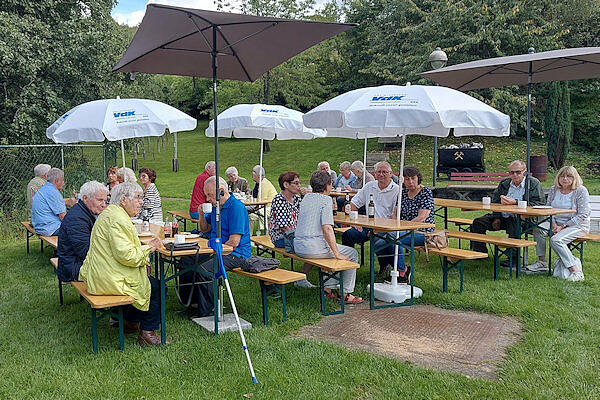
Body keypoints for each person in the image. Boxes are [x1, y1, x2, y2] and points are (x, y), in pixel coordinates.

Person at [79, 182, 167, 346]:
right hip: (108, 279)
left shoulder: (111, 214)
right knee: (157, 287)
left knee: (148, 282)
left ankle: (130, 322)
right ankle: (147, 333)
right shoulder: (117, 219)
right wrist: (150, 247)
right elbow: (127, 256)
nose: (141, 202)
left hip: (102, 273)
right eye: (137, 198)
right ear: (123, 201)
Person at [294, 170, 362, 304]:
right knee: (352, 253)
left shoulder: (306, 197)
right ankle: (346, 293)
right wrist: (337, 253)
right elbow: (327, 228)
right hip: (312, 247)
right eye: (331, 184)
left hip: (298, 246)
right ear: (327, 185)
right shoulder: (326, 200)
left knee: (331, 252)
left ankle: (328, 289)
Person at [470, 160, 545, 267]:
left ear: (525, 171)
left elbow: (539, 203)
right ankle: (480, 252)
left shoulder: (533, 183)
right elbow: (495, 201)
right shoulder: (505, 183)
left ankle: (513, 257)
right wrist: (497, 217)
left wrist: (515, 202)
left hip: (525, 219)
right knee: (478, 222)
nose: (514, 175)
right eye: (511, 172)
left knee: (513, 219)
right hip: (502, 216)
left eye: (518, 172)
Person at [525, 166, 590, 281]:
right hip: (555, 222)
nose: (565, 179)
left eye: (569, 176)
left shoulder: (581, 190)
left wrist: (563, 226)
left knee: (556, 240)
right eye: (562, 176)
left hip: (577, 225)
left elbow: (583, 214)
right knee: (538, 228)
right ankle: (542, 262)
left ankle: (575, 271)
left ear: (575, 178)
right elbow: (549, 208)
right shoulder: (554, 189)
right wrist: (554, 223)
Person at [341, 161, 400, 275]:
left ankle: (385, 264)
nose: (381, 174)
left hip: (386, 227)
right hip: (368, 225)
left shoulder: (397, 190)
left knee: (378, 240)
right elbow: (353, 204)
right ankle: (347, 264)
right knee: (347, 235)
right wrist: (355, 222)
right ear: (375, 174)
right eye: (379, 172)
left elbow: (395, 215)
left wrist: (377, 229)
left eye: (384, 172)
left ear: (391, 173)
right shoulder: (369, 186)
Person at [269, 171, 314, 288]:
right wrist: (297, 240)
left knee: (316, 243)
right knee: (311, 247)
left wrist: (306, 196)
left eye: (299, 183)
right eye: (296, 183)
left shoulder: (296, 199)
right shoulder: (279, 200)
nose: (299, 185)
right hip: (280, 237)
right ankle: (301, 277)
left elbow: (308, 213)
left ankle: (301, 276)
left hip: (295, 235)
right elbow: (284, 227)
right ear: (286, 185)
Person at [56, 181, 108, 282]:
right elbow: (86, 251)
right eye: (99, 200)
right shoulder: (77, 219)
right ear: (85, 198)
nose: (103, 205)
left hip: (76, 262)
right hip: (73, 268)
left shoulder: (84, 212)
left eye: (105, 201)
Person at [198, 176, 251, 270]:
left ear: (221, 191)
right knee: (187, 260)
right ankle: (188, 285)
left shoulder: (236, 207)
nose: (207, 199)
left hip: (236, 254)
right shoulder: (215, 206)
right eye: (206, 195)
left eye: (210, 195)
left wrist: (213, 253)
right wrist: (201, 215)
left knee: (205, 268)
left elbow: (234, 242)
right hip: (217, 249)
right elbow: (205, 229)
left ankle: (208, 285)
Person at [393, 166, 435, 279]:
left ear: (418, 178)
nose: (410, 182)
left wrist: (403, 227)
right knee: (379, 239)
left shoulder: (425, 192)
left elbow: (422, 217)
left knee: (394, 239)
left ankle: (402, 271)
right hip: (402, 229)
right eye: (406, 179)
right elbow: (395, 214)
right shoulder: (402, 193)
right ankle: (387, 265)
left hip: (422, 232)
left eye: (413, 178)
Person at [31, 168, 75, 236]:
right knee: (80, 226)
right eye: (62, 180)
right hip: (50, 229)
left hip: (39, 227)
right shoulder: (53, 192)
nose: (63, 183)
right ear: (56, 181)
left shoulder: (44, 188)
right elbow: (63, 217)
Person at [249, 165, 277, 235]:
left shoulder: (264, 184)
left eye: (253, 174)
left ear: (256, 175)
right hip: (265, 206)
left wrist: (255, 208)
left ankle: (265, 232)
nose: (252, 176)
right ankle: (249, 236)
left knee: (261, 212)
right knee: (250, 216)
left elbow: (262, 202)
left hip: (271, 206)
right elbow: (254, 195)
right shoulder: (258, 183)